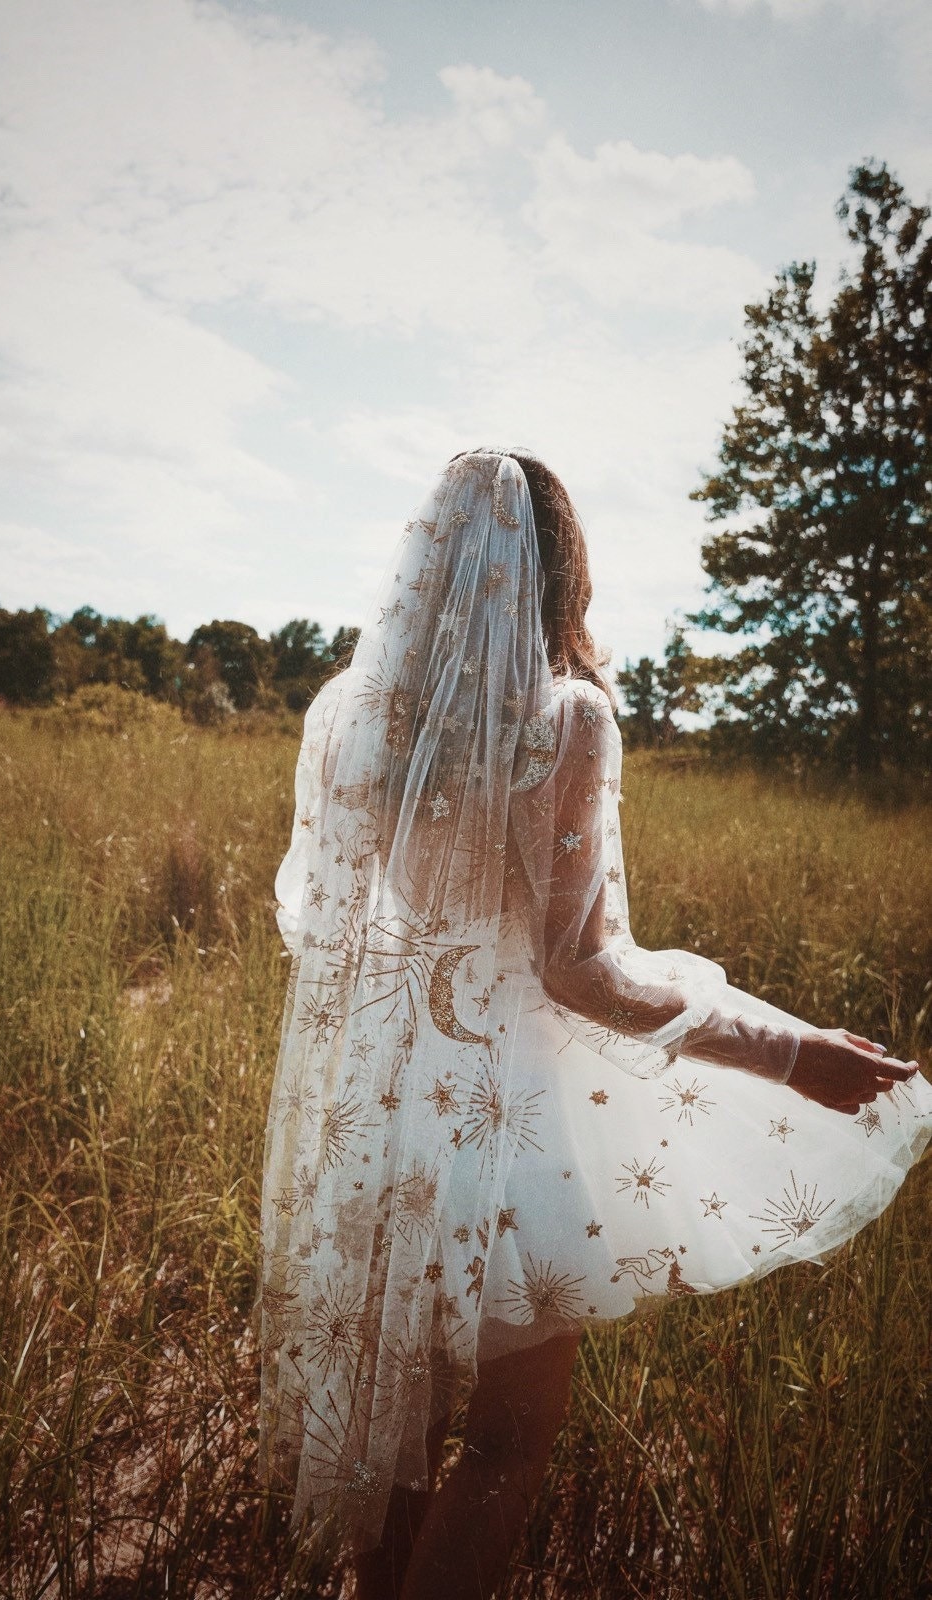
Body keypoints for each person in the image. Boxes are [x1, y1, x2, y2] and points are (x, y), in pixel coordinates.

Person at [257, 448, 931, 1600]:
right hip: (508, 1128)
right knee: (508, 1441)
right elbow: (576, 970)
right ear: (559, 566)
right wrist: (785, 1051)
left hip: (385, 1122)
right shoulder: (560, 717)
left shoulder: (348, 717)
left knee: (400, 1437)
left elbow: (311, 918)